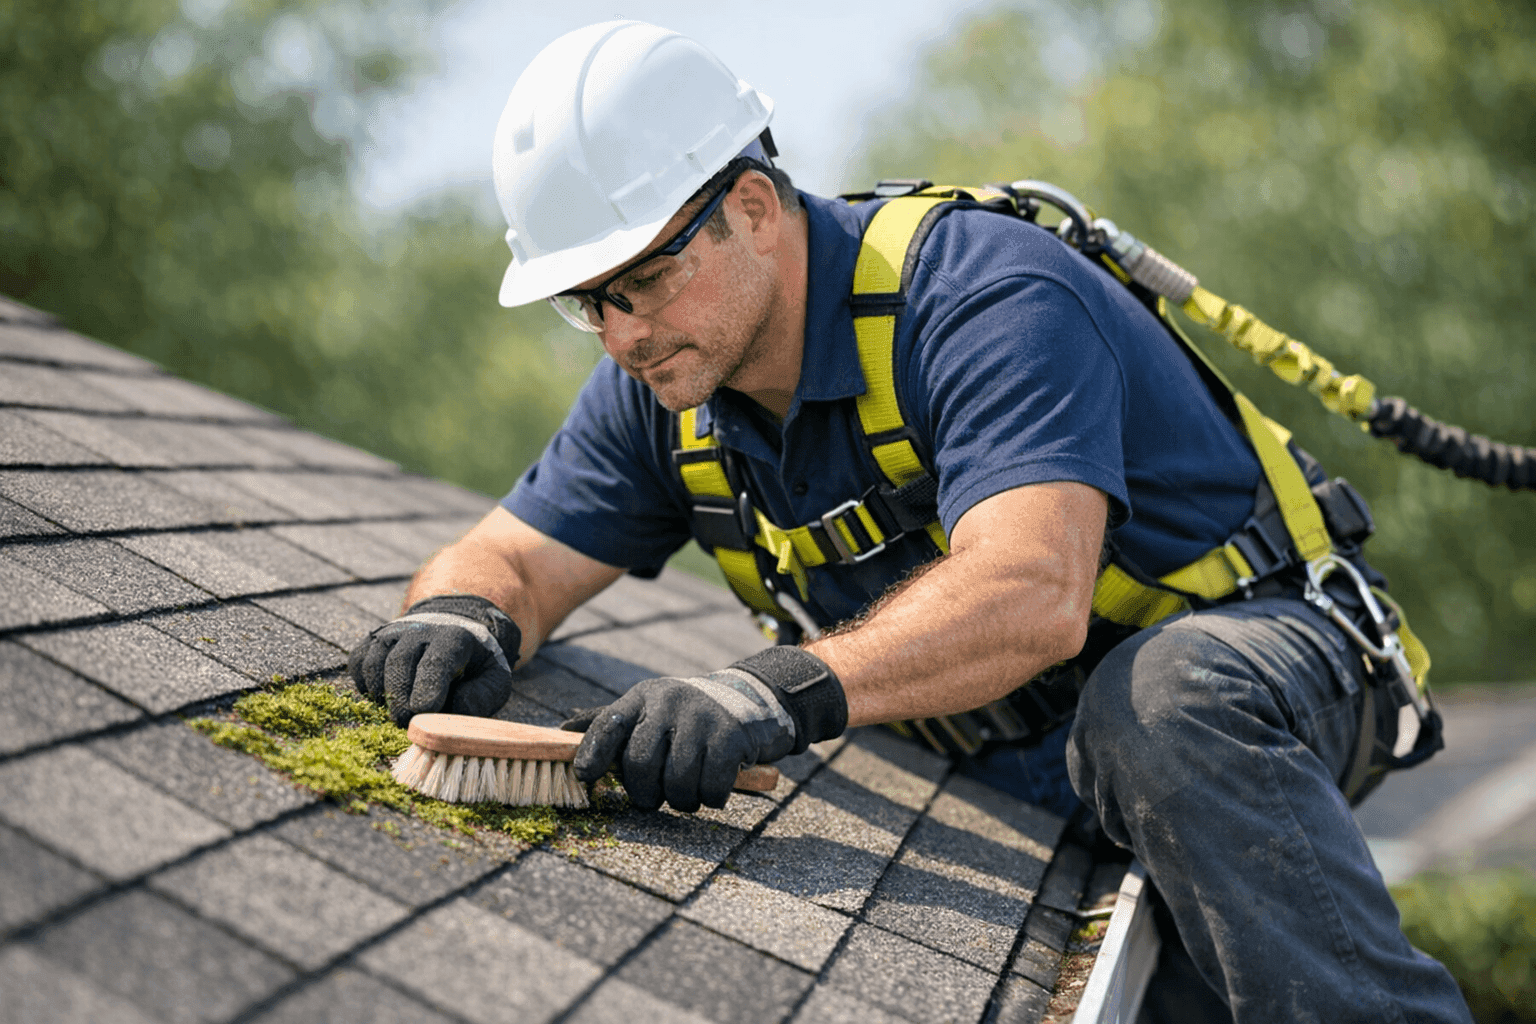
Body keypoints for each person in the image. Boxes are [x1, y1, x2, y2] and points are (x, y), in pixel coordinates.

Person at [347, 20, 1471, 1024]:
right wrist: (464, 613)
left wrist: (763, 692)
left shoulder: (979, 297)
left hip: (1260, 673)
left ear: (750, 209)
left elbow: (1032, 591)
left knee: (1160, 706)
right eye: (585, 302)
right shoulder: (669, 389)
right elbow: (514, 556)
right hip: (1039, 769)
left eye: (639, 281)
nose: (620, 334)